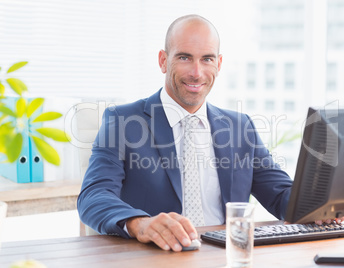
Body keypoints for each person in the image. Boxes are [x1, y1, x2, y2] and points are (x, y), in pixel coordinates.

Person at [77, 14, 294, 252]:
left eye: (207, 59)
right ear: (163, 60)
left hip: (227, 256)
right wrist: (141, 224)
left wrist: (321, 207)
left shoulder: (241, 127)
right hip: (157, 257)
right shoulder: (123, 121)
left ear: (219, 64)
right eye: (184, 57)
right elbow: (94, 196)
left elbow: (282, 194)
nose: (196, 72)